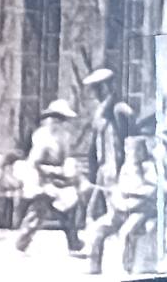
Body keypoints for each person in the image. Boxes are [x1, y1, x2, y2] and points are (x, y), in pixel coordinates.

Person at [14, 99, 84, 254]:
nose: (58, 123)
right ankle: (21, 243)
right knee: (37, 212)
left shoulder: (63, 137)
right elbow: (34, 162)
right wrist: (51, 172)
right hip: (41, 180)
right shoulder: (42, 136)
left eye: (62, 120)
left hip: (58, 180)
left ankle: (74, 243)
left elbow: (66, 158)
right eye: (56, 119)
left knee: (68, 212)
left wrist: (68, 172)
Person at [86, 135, 158, 275]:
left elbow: (152, 189)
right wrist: (117, 198)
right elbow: (119, 189)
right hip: (120, 210)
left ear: (141, 151)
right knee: (98, 229)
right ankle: (93, 265)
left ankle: (126, 267)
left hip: (140, 211)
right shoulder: (126, 167)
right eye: (128, 150)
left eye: (134, 150)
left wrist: (131, 193)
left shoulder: (148, 167)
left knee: (126, 232)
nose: (130, 153)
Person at [82, 68, 133, 222]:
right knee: (95, 202)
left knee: (114, 200)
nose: (96, 92)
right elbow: (96, 134)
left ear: (107, 86)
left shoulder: (119, 109)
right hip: (103, 164)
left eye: (99, 87)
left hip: (115, 164)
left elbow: (128, 136)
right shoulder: (101, 110)